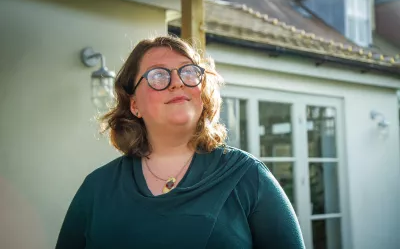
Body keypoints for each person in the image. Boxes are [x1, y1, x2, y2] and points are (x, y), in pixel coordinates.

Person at [55, 35, 305, 249]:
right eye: (158, 75)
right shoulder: (96, 189)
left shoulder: (248, 177)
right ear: (134, 105)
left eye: (188, 72)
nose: (177, 82)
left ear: (202, 95)